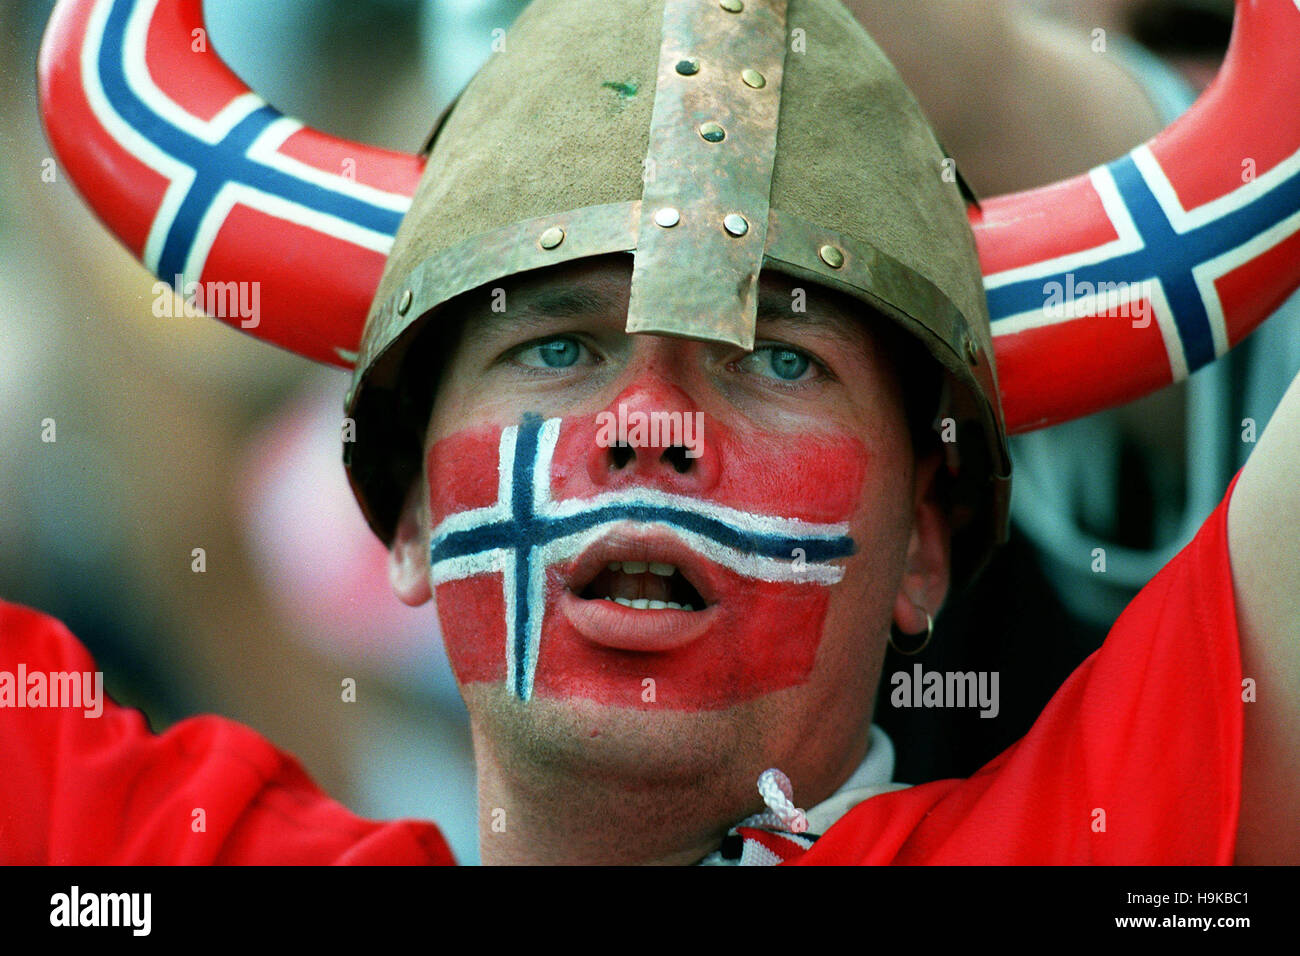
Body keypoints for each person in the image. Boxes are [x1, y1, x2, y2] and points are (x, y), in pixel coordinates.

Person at [7, 0, 1300, 865]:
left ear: (924, 550)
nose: (647, 427)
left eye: (777, 357)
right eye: (555, 348)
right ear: (405, 516)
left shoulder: (1121, 842)